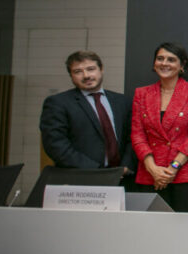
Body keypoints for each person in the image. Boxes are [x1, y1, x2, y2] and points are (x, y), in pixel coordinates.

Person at [129, 43, 188, 212]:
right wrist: (152, 168)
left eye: (171, 59)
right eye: (160, 59)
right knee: (152, 229)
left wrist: (173, 168)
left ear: (182, 66)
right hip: (150, 174)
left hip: (186, 173)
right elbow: (137, 135)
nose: (164, 63)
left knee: (186, 229)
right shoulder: (141, 94)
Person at [39, 51, 137, 183]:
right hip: (80, 180)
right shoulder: (57, 103)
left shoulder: (123, 102)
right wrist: (97, 171)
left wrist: (125, 167)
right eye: (78, 71)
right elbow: (55, 145)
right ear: (71, 76)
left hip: (121, 179)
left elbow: (133, 137)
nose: (86, 76)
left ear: (101, 69)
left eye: (91, 69)